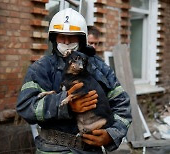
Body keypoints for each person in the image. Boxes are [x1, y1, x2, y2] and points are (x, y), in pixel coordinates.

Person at [16, 8, 132, 154]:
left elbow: (122, 105)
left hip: (90, 150)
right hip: (52, 149)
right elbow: (25, 107)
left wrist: (112, 134)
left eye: (72, 37)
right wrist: (64, 104)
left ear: (81, 39)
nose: (66, 42)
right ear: (53, 38)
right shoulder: (41, 68)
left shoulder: (99, 68)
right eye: (61, 36)